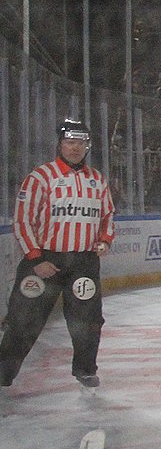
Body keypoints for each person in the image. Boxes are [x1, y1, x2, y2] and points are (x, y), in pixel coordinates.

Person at [1, 119, 116, 388]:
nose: (74, 148)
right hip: (44, 261)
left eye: (80, 143)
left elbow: (108, 215)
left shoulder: (97, 180)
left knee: (88, 321)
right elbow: (22, 220)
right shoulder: (40, 177)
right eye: (69, 142)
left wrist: (104, 240)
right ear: (60, 144)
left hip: (83, 263)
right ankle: (3, 372)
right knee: (23, 320)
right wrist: (36, 258)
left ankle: (85, 369)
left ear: (87, 146)